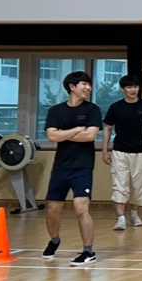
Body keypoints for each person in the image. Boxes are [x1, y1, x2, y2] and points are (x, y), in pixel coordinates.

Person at [42, 70, 103, 266]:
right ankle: (54, 241)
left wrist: (64, 134)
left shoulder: (92, 110)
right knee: (52, 209)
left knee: (80, 207)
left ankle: (88, 251)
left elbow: (89, 136)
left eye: (89, 84)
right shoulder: (56, 111)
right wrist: (77, 129)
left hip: (83, 166)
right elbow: (52, 136)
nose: (88, 88)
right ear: (72, 87)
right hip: (61, 166)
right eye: (83, 84)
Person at [101, 74, 142, 231]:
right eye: (129, 87)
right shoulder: (116, 107)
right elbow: (107, 128)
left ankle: (134, 213)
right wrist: (105, 150)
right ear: (123, 89)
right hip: (119, 151)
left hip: (140, 151)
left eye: (135, 86)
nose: (133, 90)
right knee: (120, 184)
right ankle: (120, 218)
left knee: (139, 184)